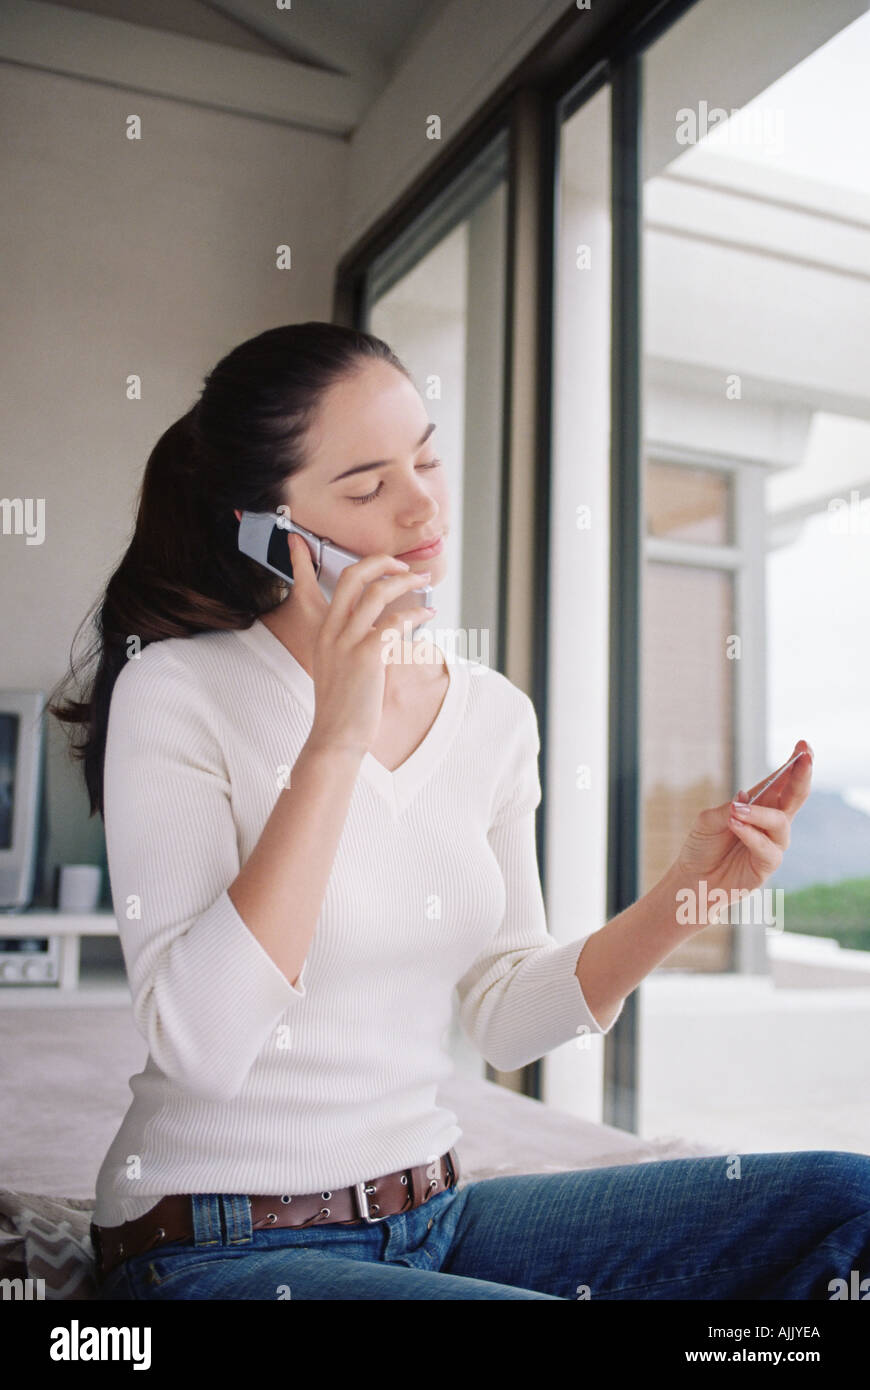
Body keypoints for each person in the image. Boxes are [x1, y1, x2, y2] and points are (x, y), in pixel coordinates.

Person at [49, 321, 870, 1300]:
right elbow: (202, 1043)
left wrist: (687, 896)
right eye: (366, 485)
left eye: (426, 457)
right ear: (266, 526)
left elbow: (505, 1015)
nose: (422, 503)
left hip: (436, 1215)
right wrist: (335, 739)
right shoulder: (178, 689)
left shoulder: (491, 714)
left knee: (847, 1200)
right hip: (216, 1242)